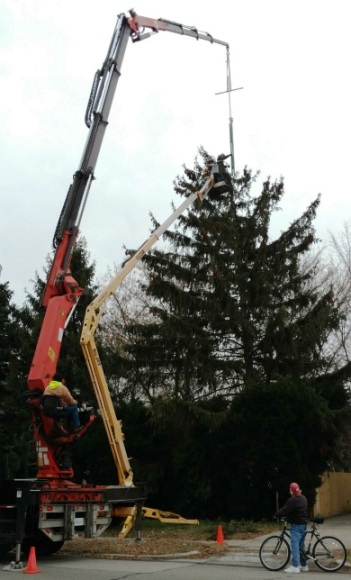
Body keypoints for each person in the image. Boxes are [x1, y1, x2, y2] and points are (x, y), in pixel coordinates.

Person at [275, 482, 309, 574]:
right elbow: (297, 511)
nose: (289, 491)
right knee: (301, 545)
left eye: (290, 489)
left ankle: (295, 566)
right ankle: (304, 565)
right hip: (304, 525)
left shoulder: (292, 500)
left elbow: (285, 510)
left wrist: (276, 514)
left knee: (294, 545)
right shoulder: (303, 498)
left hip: (296, 525)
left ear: (292, 491)